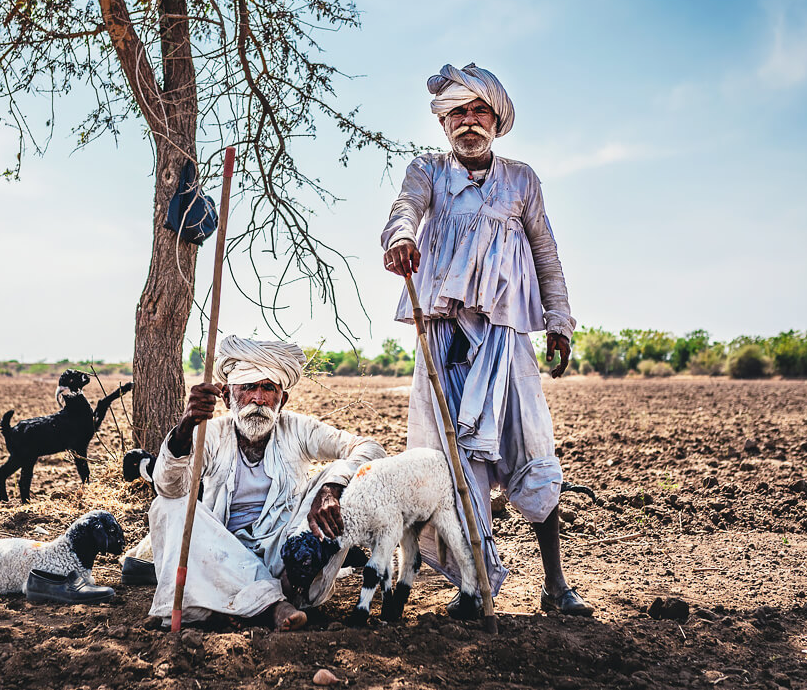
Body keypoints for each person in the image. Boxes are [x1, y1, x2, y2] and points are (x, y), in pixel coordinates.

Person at [381, 63, 592, 616]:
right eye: (458, 114)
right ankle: (475, 587)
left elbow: (546, 253)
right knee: (455, 459)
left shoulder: (522, 181)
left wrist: (559, 322)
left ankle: (556, 585)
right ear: (444, 123)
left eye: (480, 112)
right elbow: (404, 212)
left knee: (532, 448)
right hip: (445, 337)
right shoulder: (427, 171)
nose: (469, 122)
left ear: (496, 121)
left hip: (506, 333)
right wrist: (402, 238)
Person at [144, 334, 386, 630]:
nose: (258, 399)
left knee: (348, 479)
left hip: (289, 567)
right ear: (226, 396)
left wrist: (331, 488)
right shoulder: (211, 433)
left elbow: (371, 449)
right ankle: (270, 605)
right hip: (223, 560)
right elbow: (168, 487)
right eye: (248, 388)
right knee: (167, 507)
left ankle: (237, 604)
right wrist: (185, 426)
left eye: (268, 389)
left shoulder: (298, 429)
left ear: (282, 399)